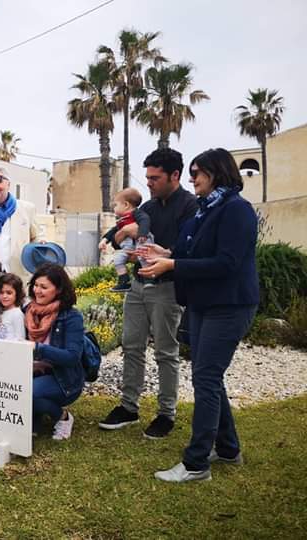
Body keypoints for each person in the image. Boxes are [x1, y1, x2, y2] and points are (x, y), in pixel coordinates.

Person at [137, 148, 259, 482]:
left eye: (197, 171)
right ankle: (229, 448)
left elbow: (228, 262)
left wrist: (173, 265)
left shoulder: (237, 210)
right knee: (209, 377)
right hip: (204, 304)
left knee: (205, 378)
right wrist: (166, 253)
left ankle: (196, 463)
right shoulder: (206, 210)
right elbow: (191, 251)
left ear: (217, 172)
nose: (192, 178)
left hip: (230, 305)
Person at [98, 148, 198, 439]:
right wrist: (120, 240)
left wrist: (163, 254)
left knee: (166, 352)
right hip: (138, 286)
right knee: (131, 346)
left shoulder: (190, 207)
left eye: (155, 178)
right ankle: (129, 407)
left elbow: (189, 252)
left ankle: (166, 414)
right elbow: (125, 242)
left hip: (167, 288)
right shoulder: (149, 209)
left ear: (175, 175)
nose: (149, 183)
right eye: (148, 177)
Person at [26, 263, 84, 440]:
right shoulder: (28, 311)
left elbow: (72, 357)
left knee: (27, 392)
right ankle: (34, 418)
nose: (38, 291)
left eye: (44, 287)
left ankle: (63, 417)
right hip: (31, 372)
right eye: (36, 285)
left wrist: (38, 349)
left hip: (62, 378)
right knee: (10, 389)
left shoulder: (71, 317)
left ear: (58, 290)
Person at [99, 187, 153, 292]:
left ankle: (149, 279)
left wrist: (142, 234)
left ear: (126, 205)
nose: (114, 208)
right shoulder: (122, 221)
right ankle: (124, 281)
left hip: (141, 241)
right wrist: (104, 240)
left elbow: (145, 220)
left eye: (116, 205)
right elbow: (113, 231)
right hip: (128, 247)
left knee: (143, 257)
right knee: (118, 259)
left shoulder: (136, 214)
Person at [0, 273, 26, 340]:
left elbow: (20, 338)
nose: (4, 296)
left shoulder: (17, 314)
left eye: (9, 293)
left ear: (17, 294)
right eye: (1, 292)